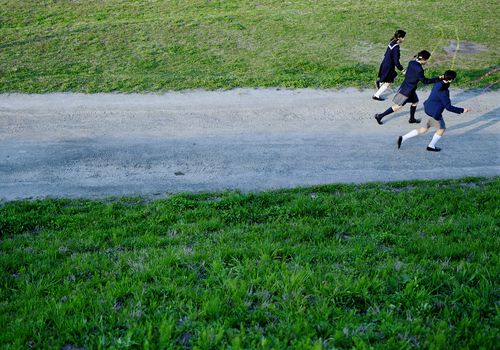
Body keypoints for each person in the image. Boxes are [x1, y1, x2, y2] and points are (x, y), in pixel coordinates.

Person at [397, 70, 470, 152]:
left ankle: (403, 138)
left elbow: (439, 80)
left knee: (423, 129)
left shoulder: (437, 82)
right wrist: (463, 110)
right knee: (441, 129)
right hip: (434, 114)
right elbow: (448, 107)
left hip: (427, 109)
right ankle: (431, 146)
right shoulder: (444, 91)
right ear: (451, 80)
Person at [374, 50, 442, 125]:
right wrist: (438, 78)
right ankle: (380, 116)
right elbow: (425, 81)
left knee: (415, 101)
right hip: (407, 91)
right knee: (398, 106)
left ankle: (412, 119)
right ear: (423, 59)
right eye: (426, 60)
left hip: (409, 88)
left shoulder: (412, 62)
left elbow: (415, 59)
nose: (427, 62)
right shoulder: (419, 69)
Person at [373, 29, 406, 101]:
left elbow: (387, 54)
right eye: (403, 37)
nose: (404, 39)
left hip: (385, 63)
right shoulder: (396, 47)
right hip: (389, 66)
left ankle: (380, 82)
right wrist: (402, 70)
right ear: (400, 37)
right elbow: (396, 61)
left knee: (394, 75)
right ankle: (376, 95)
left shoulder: (391, 42)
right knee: (388, 82)